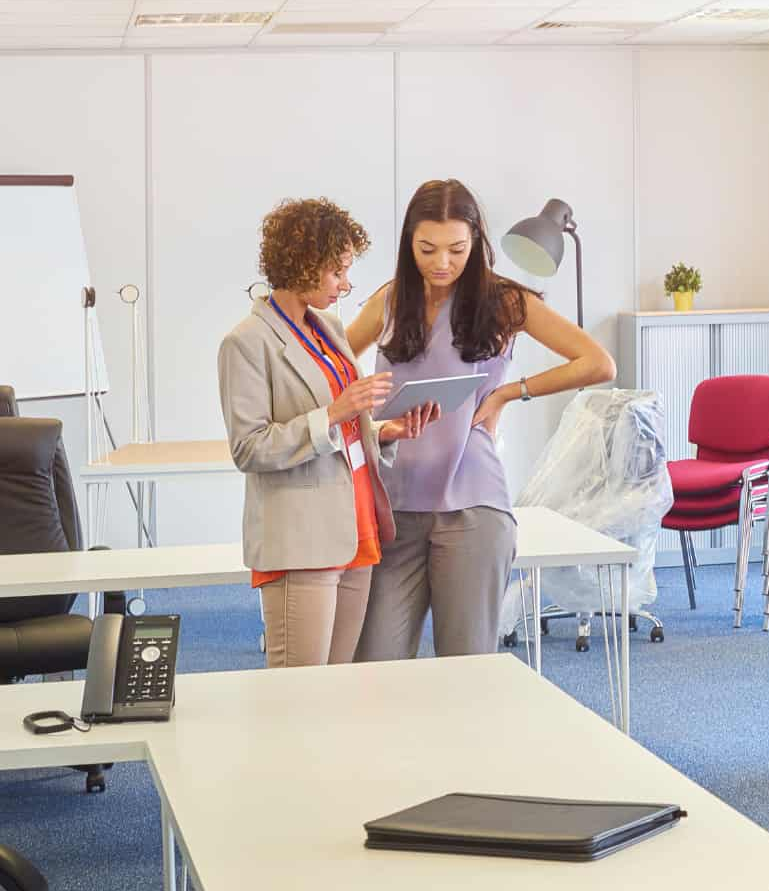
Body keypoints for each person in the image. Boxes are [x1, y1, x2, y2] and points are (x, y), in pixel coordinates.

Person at [345, 179, 614, 660]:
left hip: (473, 505)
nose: (442, 262)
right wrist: (363, 413)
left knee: (466, 669)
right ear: (409, 243)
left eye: (456, 249)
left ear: (476, 243)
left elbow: (597, 362)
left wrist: (509, 393)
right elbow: (335, 369)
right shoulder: (390, 300)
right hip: (395, 506)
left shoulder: (505, 299)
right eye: (427, 249)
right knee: (373, 667)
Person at [217, 198, 435, 668]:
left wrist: (385, 431)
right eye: (337, 272)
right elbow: (249, 447)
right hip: (301, 538)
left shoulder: (329, 328)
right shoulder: (247, 342)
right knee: (299, 694)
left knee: (338, 690)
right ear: (304, 265)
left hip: (354, 526)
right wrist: (336, 412)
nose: (346, 284)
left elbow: (344, 434)